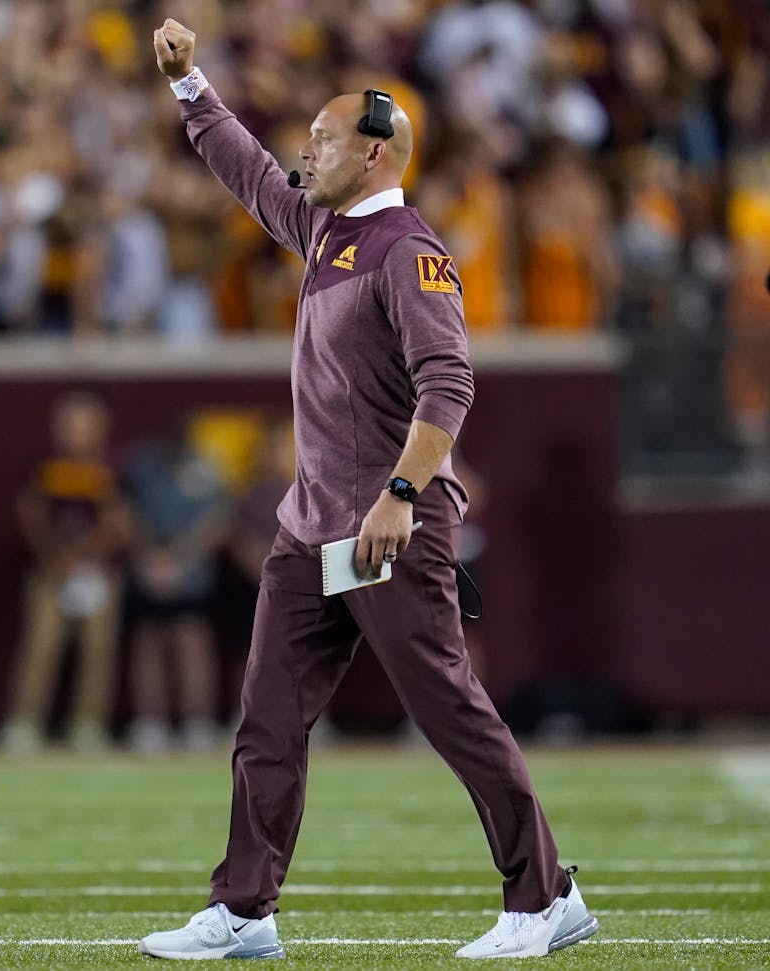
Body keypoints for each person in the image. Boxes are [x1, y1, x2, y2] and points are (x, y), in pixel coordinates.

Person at [137, 20, 598, 961]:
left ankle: (545, 894)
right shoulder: (323, 228)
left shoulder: (407, 249)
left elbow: (450, 384)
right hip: (311, 525)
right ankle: (245, 909)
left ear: (376, 151)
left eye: (325, 135)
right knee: (267, 716)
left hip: (389, 524)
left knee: (448, 709)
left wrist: (399, 492)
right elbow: (249, 169)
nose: (306, 147)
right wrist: (192, 89)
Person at [0, 391, 129, 755]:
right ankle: (24, 721)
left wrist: (90, 553)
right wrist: (54, 554)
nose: (75, 433)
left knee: (97, 651)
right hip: (51, 571)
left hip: (99, 572)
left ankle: (88, 723)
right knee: (40, 647)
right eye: (68, 425)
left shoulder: (111, 466)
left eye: (83, 425)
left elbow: (120, 519)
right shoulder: (45, 465)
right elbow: (29, 513)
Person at [122, 420, 230, 754]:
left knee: (191, 641)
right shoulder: (142, 467)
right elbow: (126, 513)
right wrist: (150, 555)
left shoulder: (206, 469)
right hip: (148, 566)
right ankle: (151, 720)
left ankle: (196, 720)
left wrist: (182, 557)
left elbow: (220, 519)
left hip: (192, 570)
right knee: (149, 642)